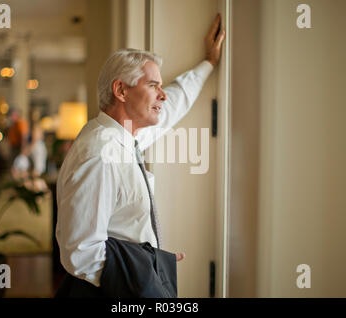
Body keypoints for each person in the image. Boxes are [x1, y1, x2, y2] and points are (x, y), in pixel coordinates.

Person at [55, 14, 225, 297]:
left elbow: (173, 104)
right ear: (121, 90)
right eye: (153, 85)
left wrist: (208, 63)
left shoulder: (124, 137)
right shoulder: (100, 154)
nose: (163, 94)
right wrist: (149, 275)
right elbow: (81, 253)